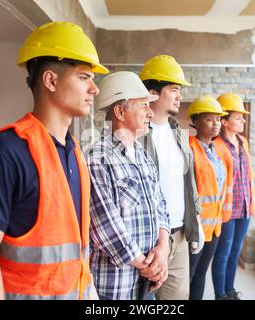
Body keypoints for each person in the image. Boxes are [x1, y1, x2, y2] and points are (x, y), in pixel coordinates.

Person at [0, 21, 108, 300]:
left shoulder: (74, 152)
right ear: (51, 80)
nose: (94, 89)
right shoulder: (2, 153)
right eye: (84, 77)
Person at [87, 71, 170, 300]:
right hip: (116, 289)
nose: (150, 113)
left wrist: (163, 251)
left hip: (146, 283)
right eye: (143, 106)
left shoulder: (143, 155)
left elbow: (160, 206)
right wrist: (151, 267)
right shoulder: (99, 158)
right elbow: (106, 228)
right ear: (120, 111)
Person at [139, 55, 204, 300]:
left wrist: (195, 221)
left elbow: (188, 183)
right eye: (174, 89)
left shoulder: (179, 134)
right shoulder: (136, 136)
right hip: (147, 240)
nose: (179, 96)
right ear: (154, 94)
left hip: (179, 236)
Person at [212, 93, 255, 300]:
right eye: (238, 117)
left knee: (235, 252)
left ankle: (230, 291)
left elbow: (247, 176)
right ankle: (220, 295)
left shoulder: (243, 142)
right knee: (222, 254)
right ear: (224, 121)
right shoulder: (217, 146)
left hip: (245, 207)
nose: (243, 121)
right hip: (227, 210)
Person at [187, 95, 228, 300]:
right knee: (188, 276)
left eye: (218, 119)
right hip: (196, 227)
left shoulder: (216, 151)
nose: (216, 124)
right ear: (195, 122)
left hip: (214, 227)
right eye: (209, 119)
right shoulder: (189, 148)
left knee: (200, 274)